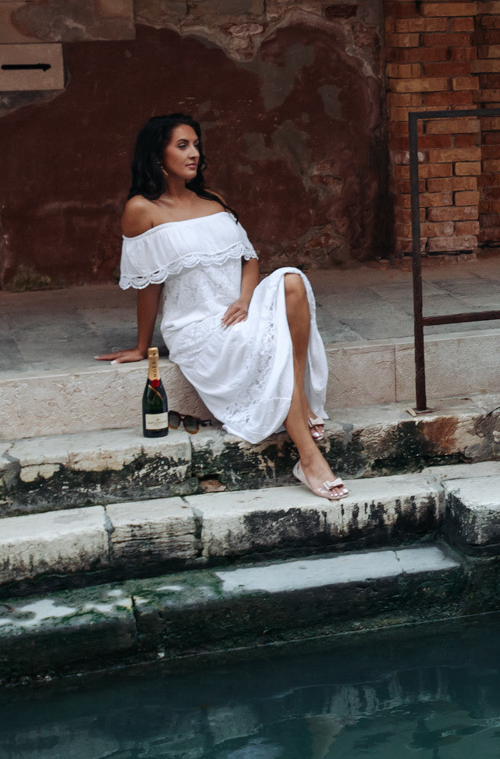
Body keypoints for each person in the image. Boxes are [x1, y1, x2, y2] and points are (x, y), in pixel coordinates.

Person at [96, 113, 343, 500]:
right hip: (196, 324)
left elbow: (249, 260)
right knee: (265, 343)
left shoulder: (214, 201)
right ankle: (308, 456)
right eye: (183, 146)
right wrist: (143, 346)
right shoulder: (141, 209)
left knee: (293, 280)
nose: (194, 153)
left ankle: (299, 403)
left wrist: (245, 299)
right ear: (158, 155)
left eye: (196, 145)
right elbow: (149, 285)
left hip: (238, 307)